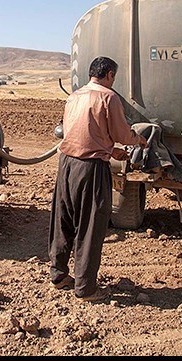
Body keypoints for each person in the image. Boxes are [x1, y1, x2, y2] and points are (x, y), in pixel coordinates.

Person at [50, 56, 146, 302]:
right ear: (110, 75)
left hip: (67, 165)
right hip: (91, 169)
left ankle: (58, 275)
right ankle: (86, 288)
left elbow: (83, 132)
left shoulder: (75, 96)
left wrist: (110, 149)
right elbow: (122, 133)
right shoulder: (108, 97)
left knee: (63, 220)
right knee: (91, 225)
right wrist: (137, 139)